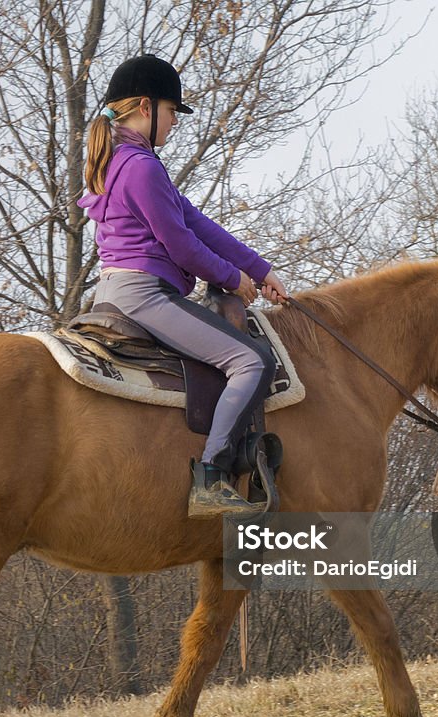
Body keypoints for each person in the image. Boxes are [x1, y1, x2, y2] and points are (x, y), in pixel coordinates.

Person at [77, 54, 291, 519]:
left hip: (112, 290)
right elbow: (182, 246)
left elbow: (199, 224)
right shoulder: (141, 168)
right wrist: (233, 279)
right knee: (251, 360)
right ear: (145, 107)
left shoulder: (121, 161)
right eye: (173, 111)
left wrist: (260, 269)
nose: (176, 122)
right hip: (143, 295)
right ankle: (213, 477)